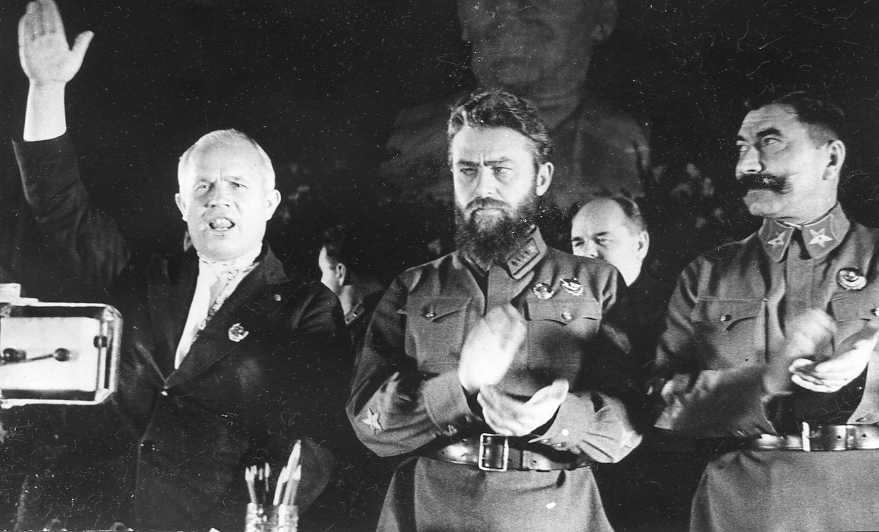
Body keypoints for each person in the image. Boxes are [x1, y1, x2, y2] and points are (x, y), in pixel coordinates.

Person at [12, 1, 349, 530]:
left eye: (237, 185)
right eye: (203, 186)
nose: (219, 198)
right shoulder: (138, 277)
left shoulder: (307, 307)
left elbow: (310, 442)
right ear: (181, 206)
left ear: (269, 203)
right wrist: (46, 88)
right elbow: (61, 208)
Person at [347, 89, 642, 532]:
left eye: (502, 170)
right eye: (468, 170)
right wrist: (460, 387)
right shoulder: (413, 287)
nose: (483, 188)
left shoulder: (597, 283)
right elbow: (368, 423)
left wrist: (556, 418)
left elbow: (631, 424)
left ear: (541, 178)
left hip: (554, 515)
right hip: (431, 512)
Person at [654, 91, 879, 531]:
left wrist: (869, 357)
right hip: (744, 504)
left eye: (770, 143)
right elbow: (658, 402)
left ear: (831, 159)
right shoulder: (709, 273)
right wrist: (762, 382)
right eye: (742, 147)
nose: (746, 166)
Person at [380, 0, 649, 211]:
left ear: (603, 16)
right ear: (463, 16)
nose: (507, 7)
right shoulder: (402, 142)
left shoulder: (640, 149)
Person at [571, 195, 699, 530]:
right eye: (578, 242)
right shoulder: (567, 313)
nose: (588, 253)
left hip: (661, 481)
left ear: (640, 244)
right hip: (582, 483)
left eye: (602, 240)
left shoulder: (677, 308)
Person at [318, 224, 386, 356]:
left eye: (323, 272)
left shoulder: (361, 335)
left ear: (340, 272)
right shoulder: (390, 313)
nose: (321, 281)